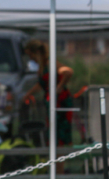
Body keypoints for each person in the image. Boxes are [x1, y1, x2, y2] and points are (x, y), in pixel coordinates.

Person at [23, 40, 74, 172]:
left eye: (31, 55)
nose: (30, 59)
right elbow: (42, 84)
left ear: (36, 53)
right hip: (51, 102)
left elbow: (68, 72)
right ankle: (56, 170)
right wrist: (28, 94)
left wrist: (59, 87)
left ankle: (59, 172)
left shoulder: (51, 63)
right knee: (53, 137)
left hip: (60, 103)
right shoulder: (42, 67)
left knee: (58, 138)